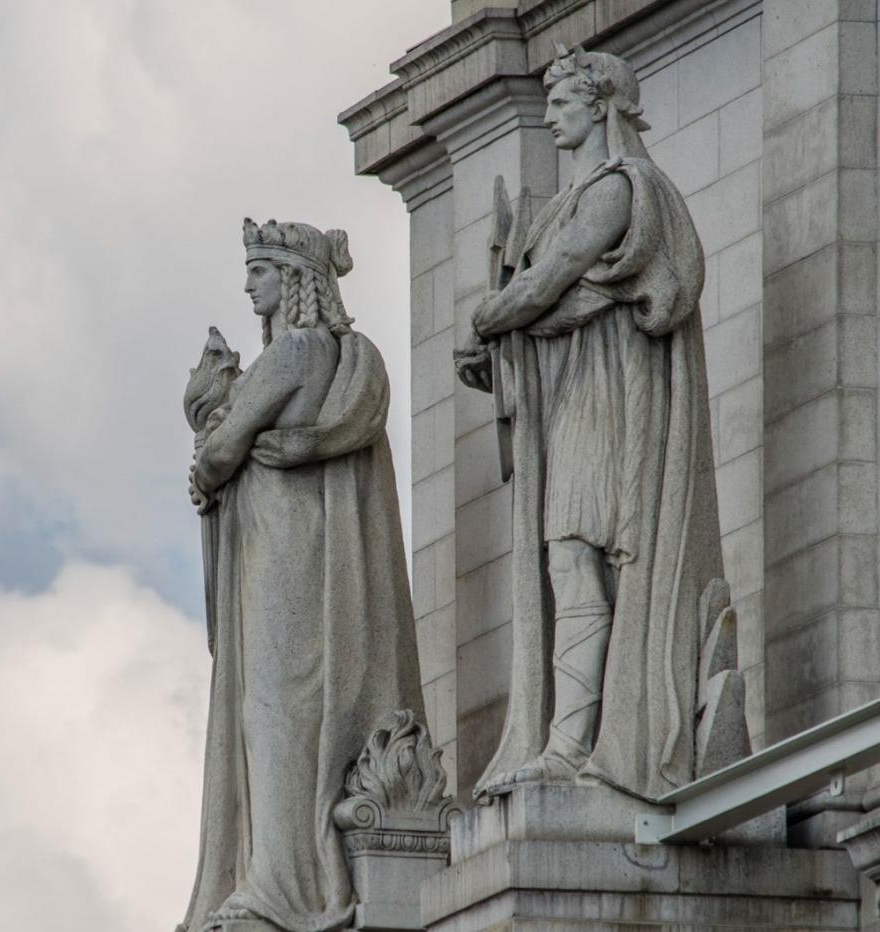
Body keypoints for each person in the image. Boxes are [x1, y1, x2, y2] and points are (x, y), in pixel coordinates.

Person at [455, 47, 725, 802]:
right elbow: (540, 299)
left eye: (564, 104)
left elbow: (552, 280)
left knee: (583, 552)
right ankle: (565, 738)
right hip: (570, 393)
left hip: (611, 398)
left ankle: (576, 743)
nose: (550, 116)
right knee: (568, 557)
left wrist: (490, 317)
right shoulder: (563, 202)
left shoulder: (619, 188)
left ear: (601, 105)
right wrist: (500, 351)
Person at [178, 219, 424, 932]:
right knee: (277, 718)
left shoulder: (296, 352)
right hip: (286, 558)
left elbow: (222, 450)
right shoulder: (320, 355)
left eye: (260, 271)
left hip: (288, 564)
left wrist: (210, 456)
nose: (249, 283)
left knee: (274, 718)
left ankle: (280, 885)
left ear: (294, 279)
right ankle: (280, 874)